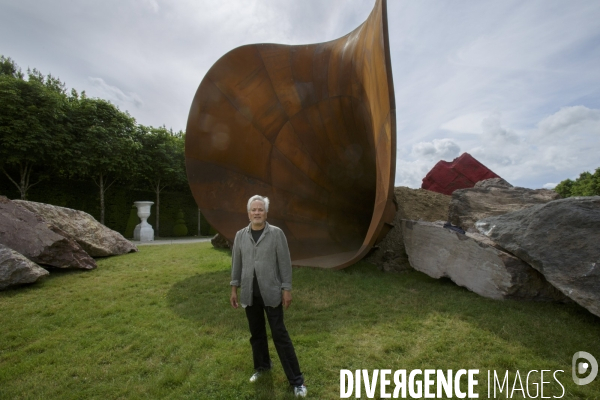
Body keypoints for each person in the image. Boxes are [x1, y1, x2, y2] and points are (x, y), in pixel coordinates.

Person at [230, 195, 307, 397]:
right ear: (248, 213)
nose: (257, 213)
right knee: (256, 335)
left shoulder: (276, 234)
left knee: (280, 336)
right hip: (249, 294)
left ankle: (297, 381)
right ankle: (262, 366)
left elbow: (284, 263)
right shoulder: (240, 235)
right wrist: (234, 288)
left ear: (266, 213)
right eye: (253, 209)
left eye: (260, 209)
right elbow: (236, 264)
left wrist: (286, 288)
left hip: (271, 293)